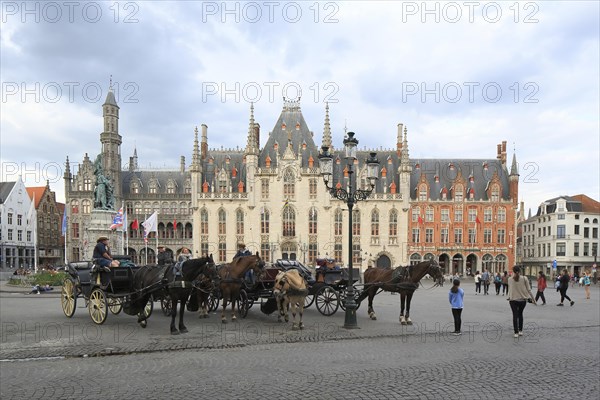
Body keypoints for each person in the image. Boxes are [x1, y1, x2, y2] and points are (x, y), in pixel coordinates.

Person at [507, 266, 536, 338]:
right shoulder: (524, 278)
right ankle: (520, 331)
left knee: (515, 315)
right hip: (523, 300)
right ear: (520, 271)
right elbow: (529, 290)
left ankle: (515, 332)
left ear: (513, 271)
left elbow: (510, 289)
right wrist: (533, 300)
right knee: (520, 314)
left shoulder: (510, 279)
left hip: (513, 300)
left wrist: (509, 297)